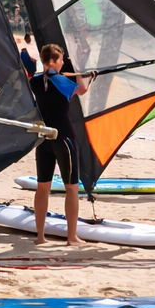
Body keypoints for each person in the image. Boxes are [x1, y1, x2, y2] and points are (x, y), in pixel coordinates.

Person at [29, 44, 92, 248]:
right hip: (64, 139)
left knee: (42, 188)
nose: (63, 61)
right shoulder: (62, 82)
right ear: (54, 61)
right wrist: (82, 73)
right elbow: (82, 89)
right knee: (72, 188)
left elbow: (46, 80)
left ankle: (40, 236)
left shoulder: (35, 81)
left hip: (44, 140)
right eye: (61, 59)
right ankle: (72, 238)